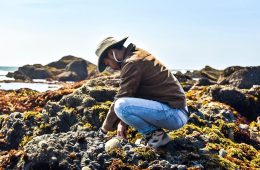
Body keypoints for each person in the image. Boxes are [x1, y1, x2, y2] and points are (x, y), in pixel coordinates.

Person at [95, 36, 189, 149]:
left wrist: (103, 130)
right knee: (122, 105)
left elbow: (122, 97)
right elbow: (134, 94)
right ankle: (155, 136)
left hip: (174, 114)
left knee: (121, 106)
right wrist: (122, 122)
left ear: (111, 53)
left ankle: (155, 136)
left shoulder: (132, 63)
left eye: (107, 63)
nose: (109, 67)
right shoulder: (137, 55)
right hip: (178, 111)